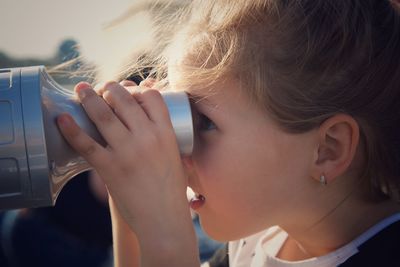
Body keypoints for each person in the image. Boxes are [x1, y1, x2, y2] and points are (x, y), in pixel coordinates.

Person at [56, 0, 400, 266]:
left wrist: (169, 243)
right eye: (180, 115)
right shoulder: (261, 241)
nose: (176, 148)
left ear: (328, 149)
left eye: (203, 122)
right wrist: (131, 213)